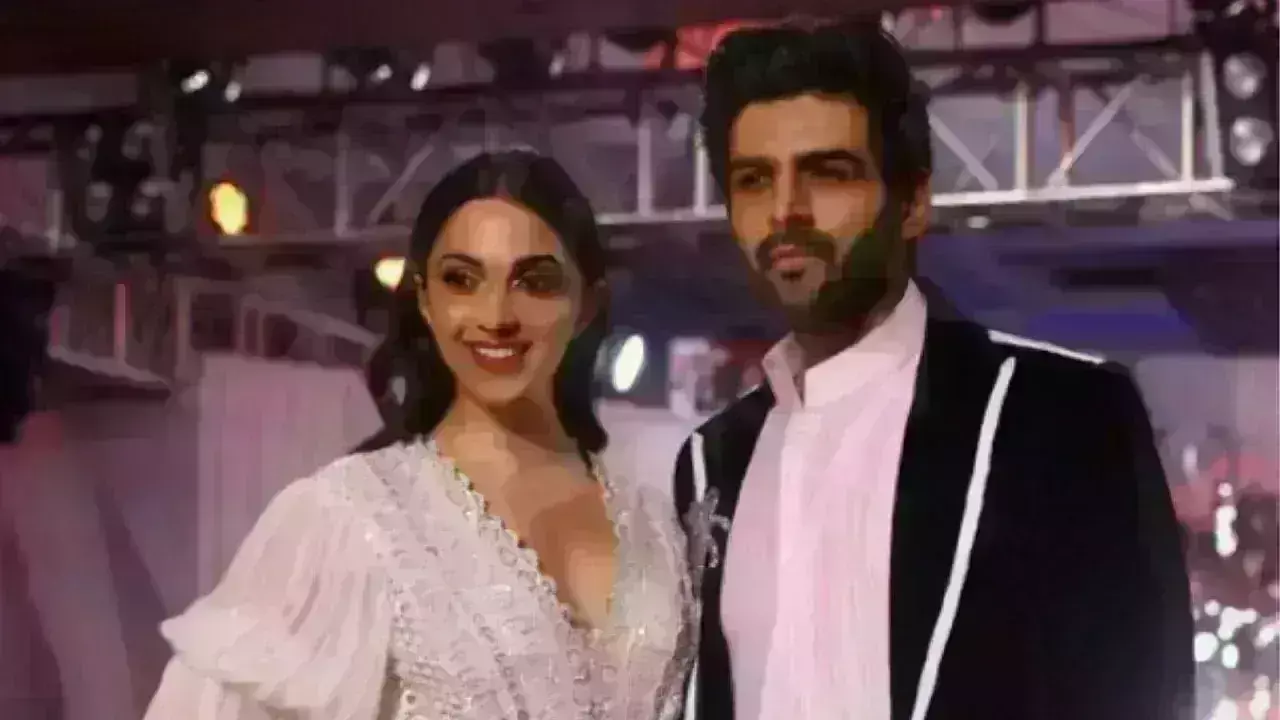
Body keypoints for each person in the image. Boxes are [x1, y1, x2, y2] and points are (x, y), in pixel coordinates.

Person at [672, 20, 1195, 720]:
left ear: (913, 202)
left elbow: (1142, 697)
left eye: (828, 173)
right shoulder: (711, 460)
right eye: (754, 180)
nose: (785, 210)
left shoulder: (1057, 414)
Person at [145, 150, 696, 720]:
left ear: (587, 306)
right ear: (426, 302)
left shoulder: (656, 529)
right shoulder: (349, 519)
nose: (496, 315)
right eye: (462, 279)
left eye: (535, 282)